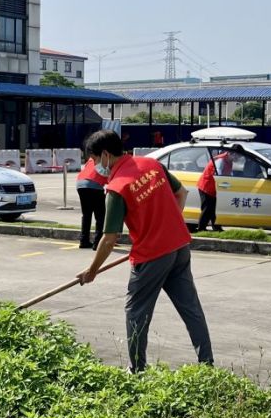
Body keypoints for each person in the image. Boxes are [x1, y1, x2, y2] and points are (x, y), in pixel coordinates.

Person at [76, 129, 213, 372]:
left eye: (94, 160)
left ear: (105, 155)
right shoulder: (152, 165)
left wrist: (92, 270)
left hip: (151, 256)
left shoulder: (117, 187)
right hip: (179, 246)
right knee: (191, 308)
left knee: (136, 312)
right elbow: (181, 193)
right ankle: (207, 364)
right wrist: (168, 225)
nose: (95, 166)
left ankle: (137, 370)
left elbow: (109, 239)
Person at [195, 149, 232, 232]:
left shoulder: (229, 160)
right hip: (206, 186)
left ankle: (216, 227)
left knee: (214, 208)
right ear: (229, 154)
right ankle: (201, 228)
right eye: (237, 156)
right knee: (207, 208)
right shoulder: (221, 160)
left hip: (213, 187)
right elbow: (218, 175)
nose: (238, 158)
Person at [75, 155, 106, 249]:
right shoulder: (108, 159)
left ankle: (84, 241)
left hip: (80, 183)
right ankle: (98, 243)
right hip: (94, 184)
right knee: (100, 215)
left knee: (86, 214)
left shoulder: (92, 158)